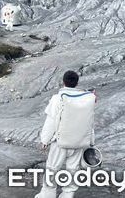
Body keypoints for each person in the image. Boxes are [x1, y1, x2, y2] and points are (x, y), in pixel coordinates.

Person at [35, 70, 96, 198]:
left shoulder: (57, 98)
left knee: (52, 169)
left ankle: (47, 195)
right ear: (77, 83)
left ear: (63, 82)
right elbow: (89, 121)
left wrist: (44, 141)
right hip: (79, 142)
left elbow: (51, 122)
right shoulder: (87, 98)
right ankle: (68, 195)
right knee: (73, 170)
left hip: (60, 143)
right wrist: (91, 141)